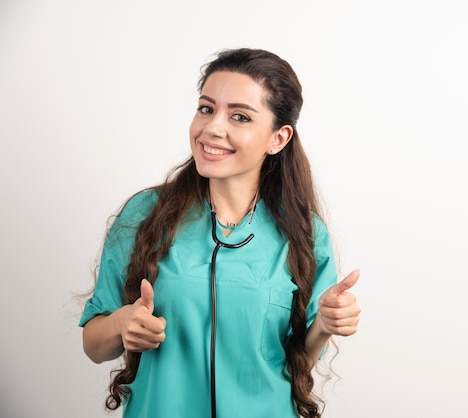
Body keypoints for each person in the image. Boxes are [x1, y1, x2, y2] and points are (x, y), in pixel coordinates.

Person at [79, 47, 361, 418]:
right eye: (206, 108)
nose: (212, 127)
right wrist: (121, 323)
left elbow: (299, 364)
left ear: (277, 138)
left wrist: (323, 326)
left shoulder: (303, 232)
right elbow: (95, 346)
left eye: (240, 116)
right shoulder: (145, 214)